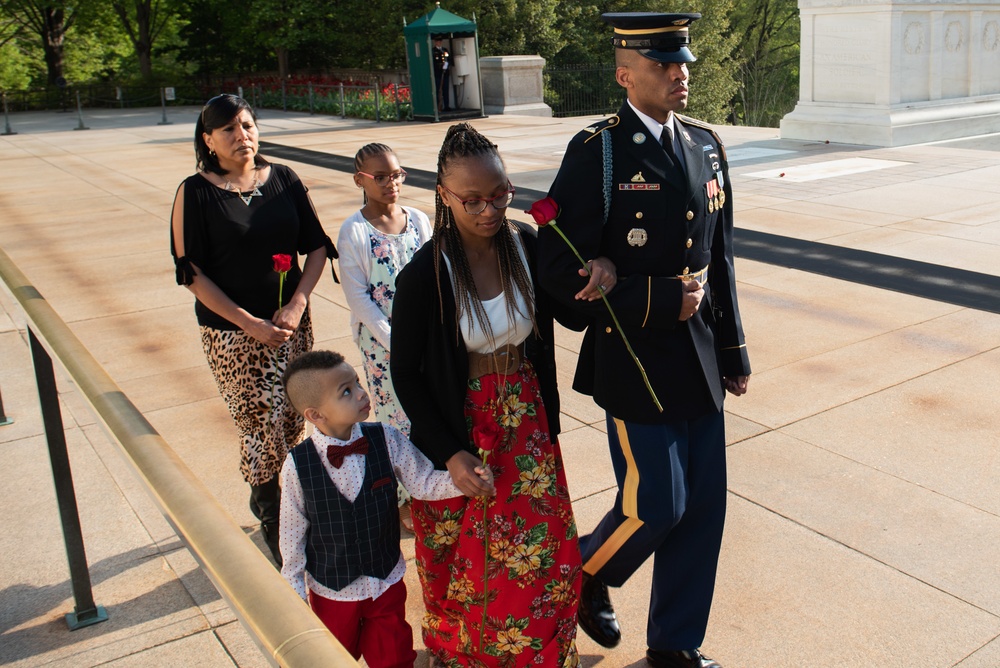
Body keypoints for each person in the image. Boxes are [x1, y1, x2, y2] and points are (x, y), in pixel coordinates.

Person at [536, 12, 752, 668]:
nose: (679, 73)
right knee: (657, 501)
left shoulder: (707, 145)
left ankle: (675, 648)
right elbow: (555, 264)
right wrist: (647, 295)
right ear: (626, 74)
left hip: (700, 358)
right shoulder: (598, 151)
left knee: (701, 512)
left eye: (682, 62)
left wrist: (734, 347)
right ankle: (586, 574)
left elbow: (720, 257)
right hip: (634, 357)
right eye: (664, 65)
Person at [390, 122, 618, 667]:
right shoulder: (427, 273)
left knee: (545, 558)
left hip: (527, 422)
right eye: (472, 200)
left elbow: (574, 311)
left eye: (500, 194)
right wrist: (450, 453)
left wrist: (601, 271)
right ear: (444, 196)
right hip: (461, 425)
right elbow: (406, 375)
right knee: (471, 568)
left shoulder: (525, 245)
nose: (489, 209)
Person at [170, 93, 335, 566]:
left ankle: (300, 506)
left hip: (290, 327)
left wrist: (297, 303)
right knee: (260, 427)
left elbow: (317, 246)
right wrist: (248, 323)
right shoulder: (194, 192)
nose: (241, 135)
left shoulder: (283, 179)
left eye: (247, 125)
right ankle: (277, 528)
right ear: (208, 140)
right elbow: (191, 272)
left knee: (296, 419)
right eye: (228, 129)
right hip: (234, 337)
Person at [278, 350, 493, 668]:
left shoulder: (387, 439)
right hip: (331, 591)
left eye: (357, 383)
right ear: (316, 415)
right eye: (346, 392)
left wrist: (463, 481)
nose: (362, 393)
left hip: (385, 581)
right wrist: (294, 590)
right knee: (330, 660)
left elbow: (422, 482)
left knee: (393, 656)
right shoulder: (298, 465)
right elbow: (292, 533)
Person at [337, 143, 432, 532]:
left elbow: (433, 275)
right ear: (361, 180)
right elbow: (359, 297)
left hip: (424, 340)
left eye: (396, 174)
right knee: (396, 419)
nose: (391, 183)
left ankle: (431, 484)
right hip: (384, 347)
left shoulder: (420, 220)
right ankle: (404, 499)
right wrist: (396, 343)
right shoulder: (355, 231)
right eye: (380, 177)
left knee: (428, 412)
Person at [433, 36, 451, 112]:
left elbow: (449, 59)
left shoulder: (445, 50)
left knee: (445, 90)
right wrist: (440, 66)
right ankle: (438, 106)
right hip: (438, 74)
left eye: (440, 41)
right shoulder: (433, 51)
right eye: (438, 41)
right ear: (435, 42)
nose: (439, 42)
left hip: (445, 73)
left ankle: (446, 106)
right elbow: (433, 63)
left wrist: (446, 65)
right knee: (438, 91)